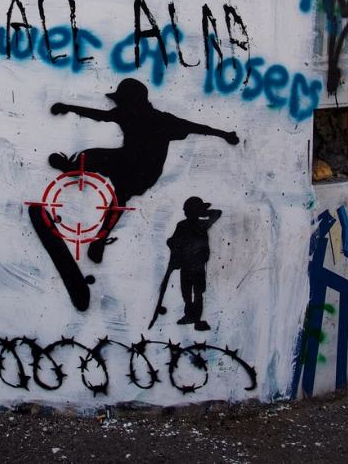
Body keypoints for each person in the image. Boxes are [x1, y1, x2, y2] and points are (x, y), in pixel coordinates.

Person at [30, 78, 238, 311]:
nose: (121, 106)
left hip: (140, 171)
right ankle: (98, 238)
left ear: (135, 100)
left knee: (106, 174)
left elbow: (198, 128)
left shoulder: (163, 120)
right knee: (113, 189)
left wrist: (225, 134)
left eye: (124, 101)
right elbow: (99, 115)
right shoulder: (132, 115)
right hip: (135, 168)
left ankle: (90, 211)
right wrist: (68, 108)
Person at [165, 196, 221, 331]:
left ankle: (195, 318)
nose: (185, 213)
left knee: (196, 292)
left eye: (187, 210)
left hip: (197, 265)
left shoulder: (200, 224)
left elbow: (217, 213)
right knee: (188, 293)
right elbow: (174, 241)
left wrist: (202, 212)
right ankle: (190, 316)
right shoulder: (184, 225)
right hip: (187, 264)